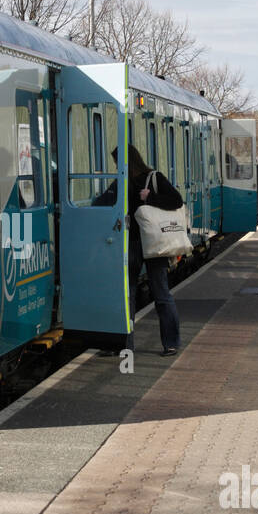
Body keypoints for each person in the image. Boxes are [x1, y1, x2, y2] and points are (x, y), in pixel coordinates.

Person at [95, 145, 185, 356]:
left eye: (118, 162)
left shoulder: (153, 178)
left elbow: (176, 200)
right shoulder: (120, 182)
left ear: (127, 161)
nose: (117, 166)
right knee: (132, 295)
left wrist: (150, 197)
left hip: (153, 244)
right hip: (133, 244)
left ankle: (169, 343)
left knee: (156, 294)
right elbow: (102, 203)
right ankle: (125, 344)